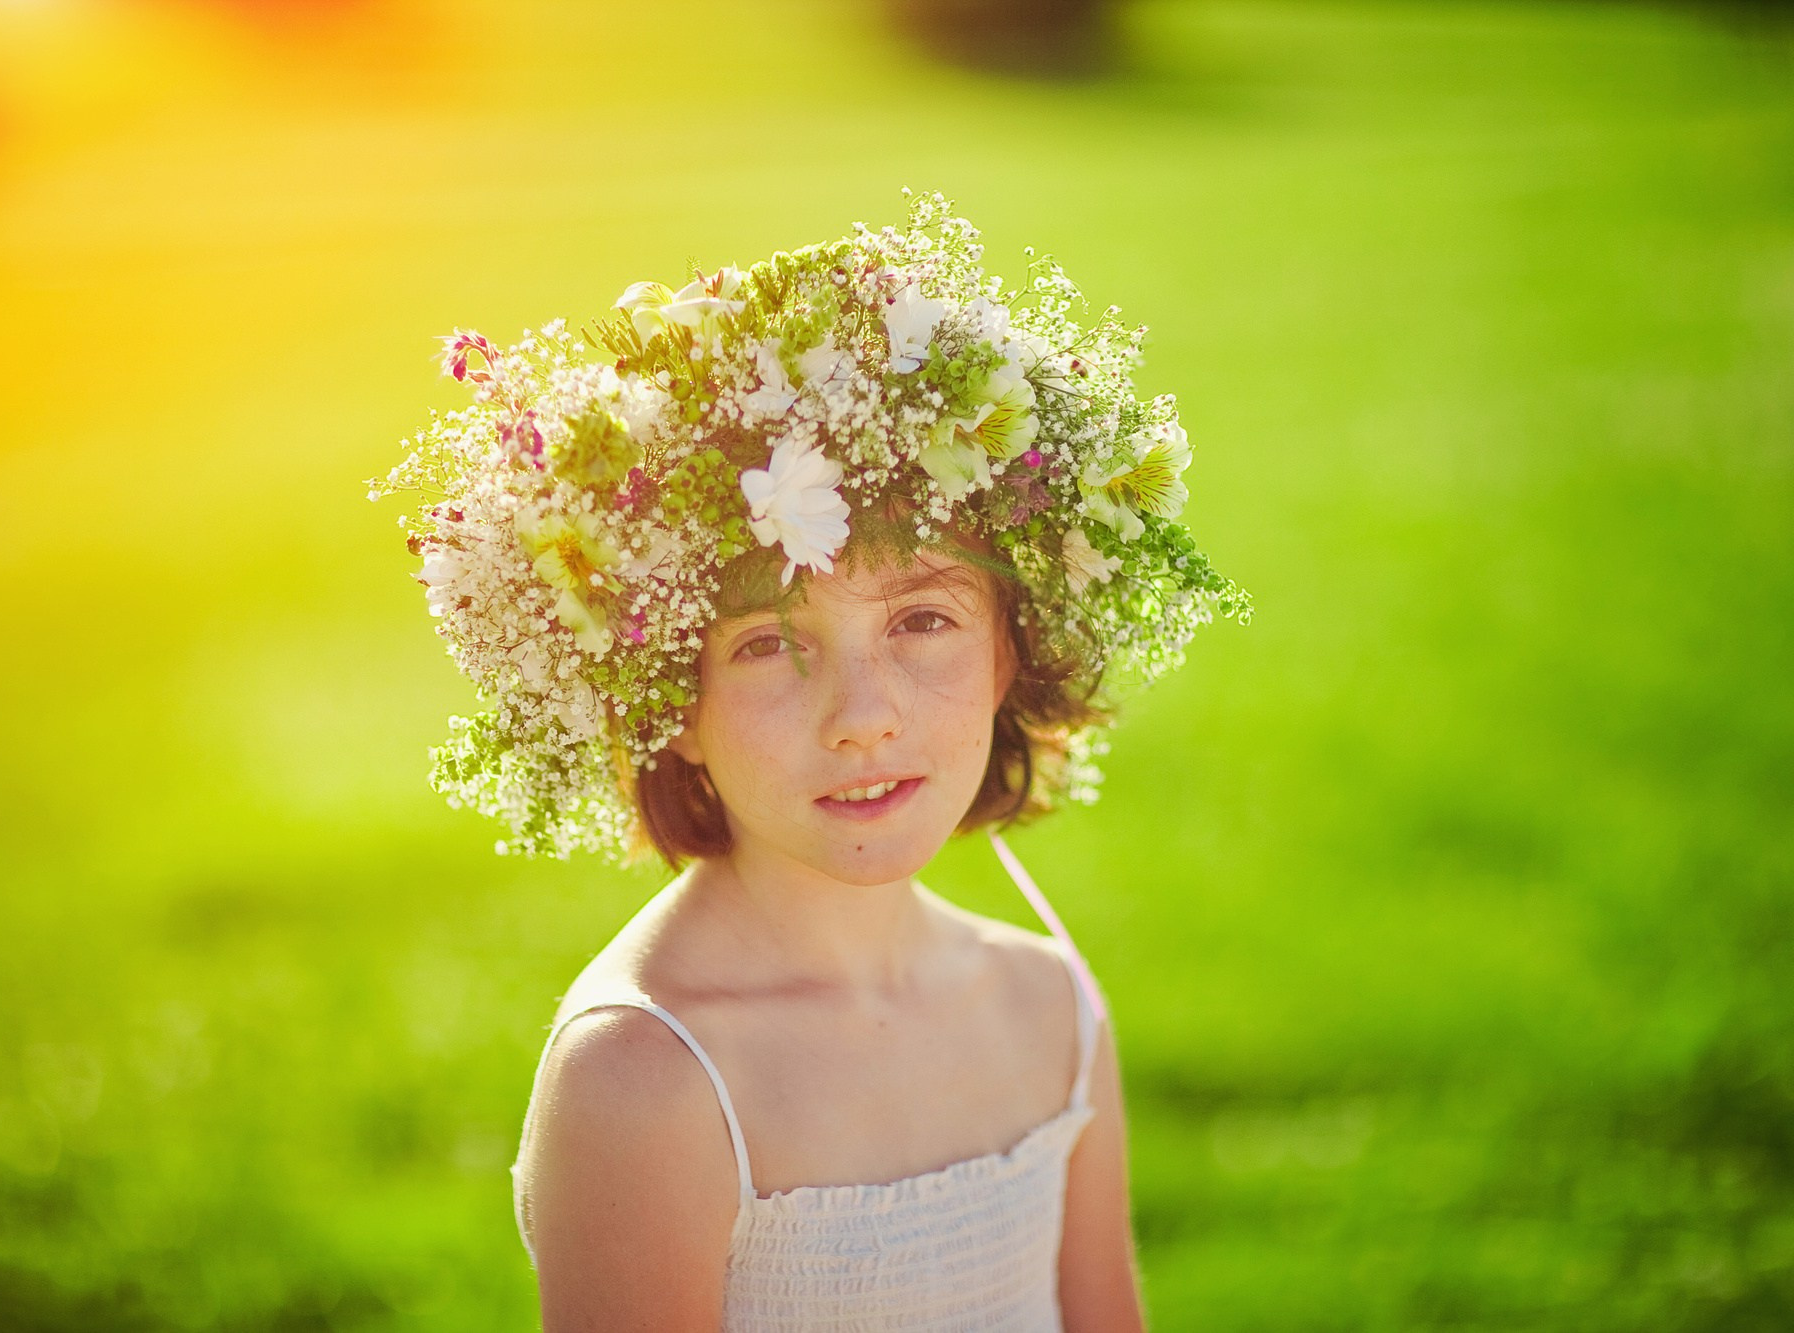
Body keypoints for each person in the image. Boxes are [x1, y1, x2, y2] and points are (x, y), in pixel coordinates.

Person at [368, 191, 1246, 1327]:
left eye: (920, 622)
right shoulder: (646, 1076)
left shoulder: (1050, 1008)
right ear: (665, 700)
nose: (862, 716)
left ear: (1006, 652)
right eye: (771, 644)